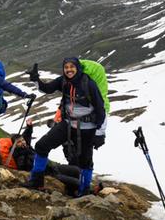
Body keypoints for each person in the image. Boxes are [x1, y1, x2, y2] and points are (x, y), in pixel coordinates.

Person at [25, 58, 105, 196]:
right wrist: (35, 79)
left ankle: (84, 191)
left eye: (72, 67)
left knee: (85, 161)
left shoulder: (89, 84)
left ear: (78, 68)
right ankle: (36, 181)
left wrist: (100, 133)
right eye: (66, 67)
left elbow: (101, 109)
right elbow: (47, 89)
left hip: (87, 128)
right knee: (41, 146)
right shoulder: (63, 81)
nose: (69, 70)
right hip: (67, 124)